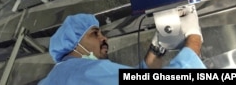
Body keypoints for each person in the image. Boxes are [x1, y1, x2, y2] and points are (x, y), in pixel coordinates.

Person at [38, 7, 205, 85]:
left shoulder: (60, 76)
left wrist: (157, 48)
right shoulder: (80, 72)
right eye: (95, 33)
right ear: (75, 43)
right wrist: (193, 36)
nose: (105, 39)